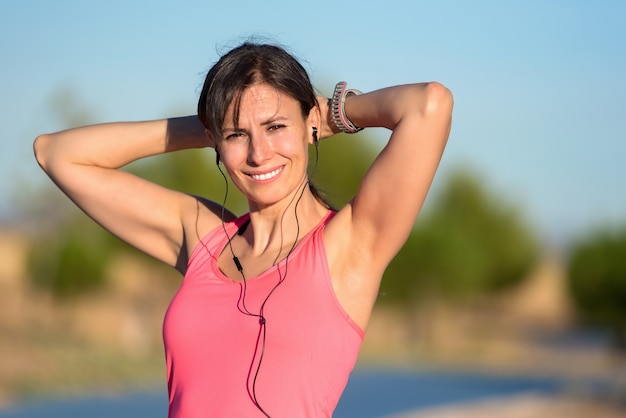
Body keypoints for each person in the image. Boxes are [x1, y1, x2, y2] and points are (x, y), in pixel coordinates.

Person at [33, 41, 453, 417]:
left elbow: (429, 105)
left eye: (275, 127)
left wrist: (335, 114)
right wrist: (209, 128)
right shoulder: (203, 236)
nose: (258, 153)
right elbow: (55, 154)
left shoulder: (350, 244)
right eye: (238, 135)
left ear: (308, 124)